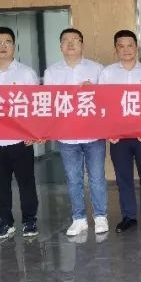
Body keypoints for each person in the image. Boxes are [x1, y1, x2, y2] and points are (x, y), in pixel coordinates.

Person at [0, 26, 40, 240]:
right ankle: (5, 221)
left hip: (21, 140)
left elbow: (35, 105)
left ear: (14, 46)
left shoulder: (26, 73)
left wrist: (33, 132)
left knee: (26, 182)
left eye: (7, 42)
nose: (3, 46)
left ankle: (30, 220)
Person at [43, 28, 107, 237]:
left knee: (97, 177)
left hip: (93, 134)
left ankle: (100, 216)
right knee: (73, 179)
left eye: (75, 40)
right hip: (67, 136)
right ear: (60, 46)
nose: (70, 43)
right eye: (65, 40)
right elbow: (48, 103)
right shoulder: (51, 72)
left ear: (82, 44)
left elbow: (108, 100)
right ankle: (78, 218)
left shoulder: (97, 69)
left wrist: (95, 90)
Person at [99, 29, 141, 232]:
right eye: (121, 46)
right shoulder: (108, 73)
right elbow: (102, 104)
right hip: (118, 137)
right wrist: (109, 131)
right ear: (115, 49)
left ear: (136, 48)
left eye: (130, 45)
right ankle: (128, 216)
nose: (126, 50)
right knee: (123, 177)